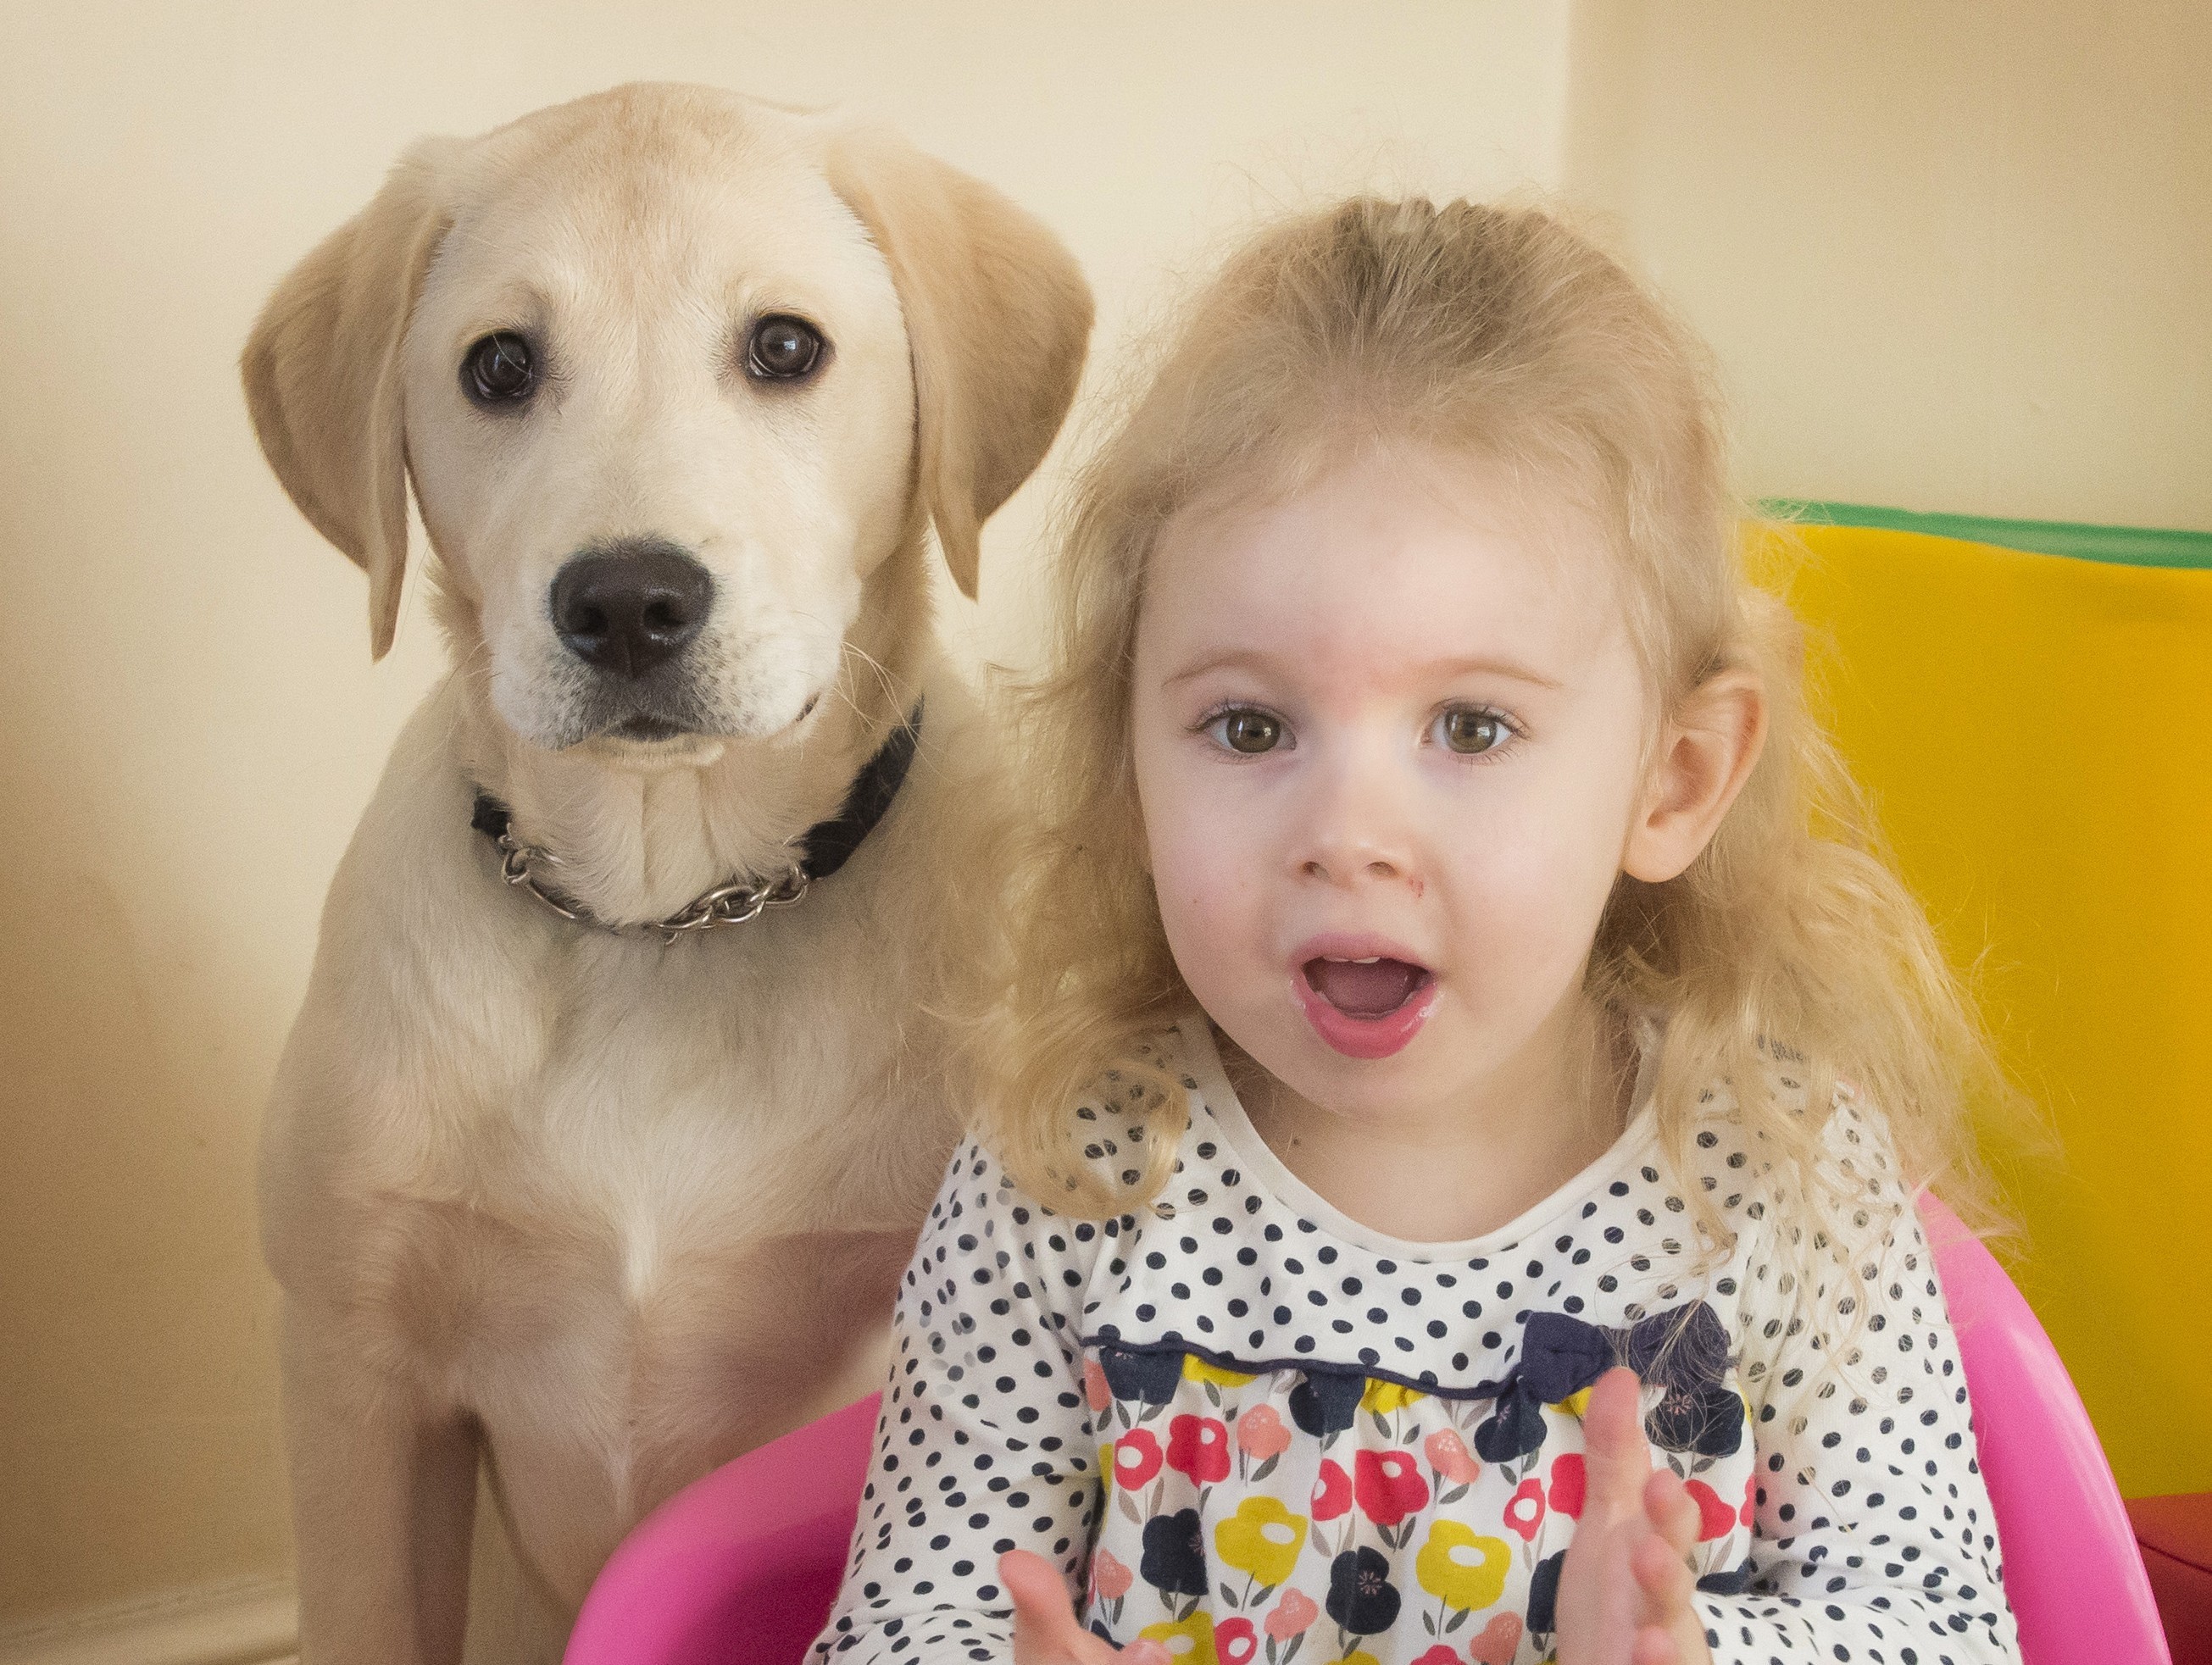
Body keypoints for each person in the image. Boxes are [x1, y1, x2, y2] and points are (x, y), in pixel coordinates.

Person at [810, 197, 2019, 1665]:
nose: (1347, 832)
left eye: (1471, 724)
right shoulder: (1065, 1175)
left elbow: (1945, 1630)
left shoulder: (1775, 1177)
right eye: (1247, 725)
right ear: (1127, 761)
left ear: (1674, 778)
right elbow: (905, 1619)